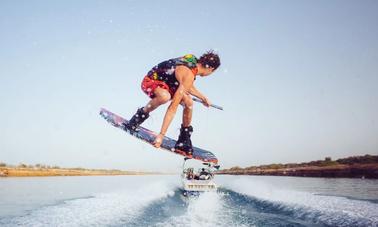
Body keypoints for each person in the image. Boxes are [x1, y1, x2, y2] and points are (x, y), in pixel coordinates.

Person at [123, 51, 221, 154]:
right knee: (165, 97)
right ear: (211, 69)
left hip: (169, 85)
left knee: (189, 102)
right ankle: (137, 119)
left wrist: (203, 98)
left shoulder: (191, 59)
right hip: (152, 80)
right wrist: (161, 135)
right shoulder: (189, 74)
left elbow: (187, 85)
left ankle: (184, 139)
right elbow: (172, 108)